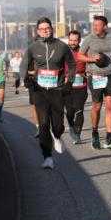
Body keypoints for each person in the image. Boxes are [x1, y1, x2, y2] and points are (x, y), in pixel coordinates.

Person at [19, 17, 76, 169]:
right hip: (40, 90)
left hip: (57, 90)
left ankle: (57, 136)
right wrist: (26, 79)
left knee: (57, 126)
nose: (45, 31)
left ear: (52, 29)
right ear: (38, 31)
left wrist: (69, 82)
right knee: (43, 124)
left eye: (47, 28)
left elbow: (72, 64)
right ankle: (47, 157)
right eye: (42, 29)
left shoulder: (62, 46)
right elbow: (23, 65)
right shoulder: (33, 48)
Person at [79, 15, 111, 150]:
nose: (95, 27)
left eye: (98, 25)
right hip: (95, 76)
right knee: (97, 106)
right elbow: (80, 55)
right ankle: (95, 133)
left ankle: (109, 137)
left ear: (105, 26)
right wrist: (92, 59)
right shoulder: (89, 39)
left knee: (109, 104)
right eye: (94, 24)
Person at [64, 30, 90, 144]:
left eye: (75, 40)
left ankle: (77, 134)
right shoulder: (64, 52)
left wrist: (88, 73)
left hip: (81, 87)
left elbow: (90, 64)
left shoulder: (84, 52)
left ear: (79, 41)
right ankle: (71, 125)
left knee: (79, 110)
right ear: (68, 40)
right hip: (67, 87)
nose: (73, 42)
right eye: (71, 40)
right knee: (69, 112)